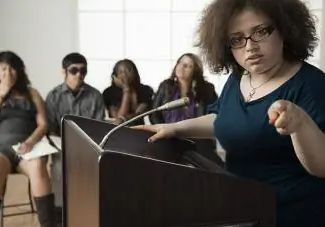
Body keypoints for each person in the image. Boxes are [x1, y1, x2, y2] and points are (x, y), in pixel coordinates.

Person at [134, 0, 325, 226]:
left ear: (285, 29)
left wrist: (299, 124)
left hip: (290, 216)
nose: (250, 47)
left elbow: (321, 166)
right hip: (240, 209)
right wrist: (173, 128)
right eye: (237, 39)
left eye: (261, 32)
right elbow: (223, 119)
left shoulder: (312, 84)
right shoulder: (238, 78)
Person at [0, 51, 54, 227]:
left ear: (19, 71)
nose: (8, 73)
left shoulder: (31, 93)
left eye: (12, 68)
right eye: (3, 69)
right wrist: (1, 94)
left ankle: (48, 224)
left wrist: (30, 142)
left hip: (27, 146)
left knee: (38, 165)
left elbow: (43, 124)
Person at [45, 52, 105, 224]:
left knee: (97, 169)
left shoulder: (95, 96)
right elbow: (50, 129)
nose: (79, 74)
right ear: (63, 72)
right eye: (74, 70)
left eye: (83, 70)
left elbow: (99, 127)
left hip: (89, 146)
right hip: (61, 146)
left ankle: (89, 214)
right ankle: (59, 216)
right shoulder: (53, 96)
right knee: (58, 167)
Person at [150, 53, 218, 124]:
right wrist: (161, 130)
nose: (181, 67)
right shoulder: (166, 86)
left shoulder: (207, 89)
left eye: (186, 66)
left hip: (196, 133)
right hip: (168, 133)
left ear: (195, 71)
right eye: (179, 63)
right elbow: (154, 114)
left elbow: (214, 114)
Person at [103, 59, 153, 125]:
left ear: (135, 72)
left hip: (139, 129)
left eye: (128, 70)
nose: (125, 74)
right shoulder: (109, 92)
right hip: (116, 130)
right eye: (121, 72)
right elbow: (118, 119)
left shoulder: (145, 90)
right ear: (115, 76)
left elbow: (137, 116)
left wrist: (124, 118)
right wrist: (126, 89)